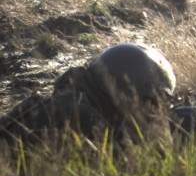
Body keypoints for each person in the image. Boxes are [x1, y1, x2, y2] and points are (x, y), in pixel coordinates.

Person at [0, 43, 176, 146]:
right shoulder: (78, 116)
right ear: (124, 91)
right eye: (149, 101)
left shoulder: (73, 101)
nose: (152, 112)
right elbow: (123, 167)